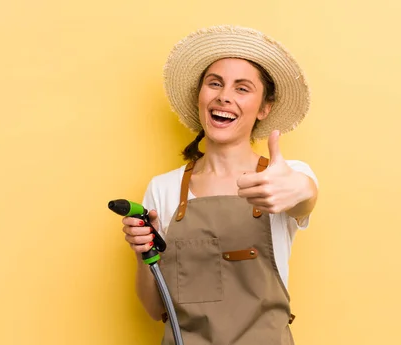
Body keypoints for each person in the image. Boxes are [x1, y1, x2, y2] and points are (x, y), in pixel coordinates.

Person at [121, 25, 319, 344]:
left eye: (242, 88)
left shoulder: (283, 175)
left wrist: (297, 191)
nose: (224, 96)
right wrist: (143, 253)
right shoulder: (164, 189)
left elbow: (304, 196)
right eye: (215, 83)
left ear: (264, 107)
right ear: (200, 96)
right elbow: (155, 307)